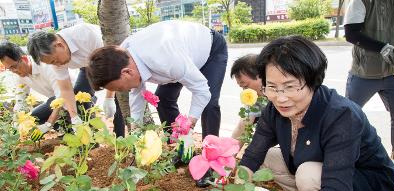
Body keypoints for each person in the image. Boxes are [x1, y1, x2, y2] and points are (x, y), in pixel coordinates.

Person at [215, 36, 394, 191]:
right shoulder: (274, 110)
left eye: (290, 86)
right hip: (324, 171)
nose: (280, 98)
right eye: (272, 87)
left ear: (313, 81)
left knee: (308, 173)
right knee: (269, 157)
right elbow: (253, 155)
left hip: (366, 186)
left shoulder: (341, 115)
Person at [86, 20, 228, 141]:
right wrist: (135, 135)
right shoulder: (122, 57)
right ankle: (179, 146)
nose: (122, 91)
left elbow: (202, 91)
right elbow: (136, 97)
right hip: (182, 54)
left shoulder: (166, 60)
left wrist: (189, 122)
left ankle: (210, 157)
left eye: (119, 88)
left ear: (127, 72)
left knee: (209, 104)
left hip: (210, 50)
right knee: (163, 99)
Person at [26, 23, 125, 137]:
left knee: (119, 98)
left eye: (55, 61)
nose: (56, 65)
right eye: (52, 63)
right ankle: (90, 137)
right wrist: (74, 118)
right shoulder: (55, 57)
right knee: (78, 95)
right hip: (86, 67)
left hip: (111, 62)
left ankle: (120, 137)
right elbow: (66, 89)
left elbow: (112, 66)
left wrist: (109, 97)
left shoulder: (88, 35)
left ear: (59, 45)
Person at [344, 0, 394, 160]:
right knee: (347, 115)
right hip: (364, 72)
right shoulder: (362, 2)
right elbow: (351, 33)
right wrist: (381, 47)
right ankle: (345, 156)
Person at [0, 41, 61, 139]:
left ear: (23, 59)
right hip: (54, 102)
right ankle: (60, 127)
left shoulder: (46, 65)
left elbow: (62, 96)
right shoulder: (20, 75)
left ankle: (66, 127)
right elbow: (21, 101)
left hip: (74, 97)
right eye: (9, 69)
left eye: (14, 67)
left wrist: (48, 124)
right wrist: (16, 125)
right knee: (34, 118)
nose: (14, 71)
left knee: (53, 102)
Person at [230, 54, 266, 142]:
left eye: (246, 86)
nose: (245, 91)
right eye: (242, 88)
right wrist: (228, 152)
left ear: (262, 75)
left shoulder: (281, 95)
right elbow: (242, 128)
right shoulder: (256, 99)